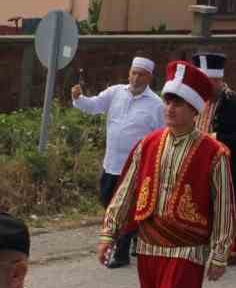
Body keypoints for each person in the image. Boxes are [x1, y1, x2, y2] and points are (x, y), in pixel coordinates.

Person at [99, 60, 234, 288]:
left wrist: (219, 252)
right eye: (168, 101)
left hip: (187, 249)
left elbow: (224, 207)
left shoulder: (214, 153)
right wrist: (109, 232)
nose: (170, 108)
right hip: (149, 244)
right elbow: (127, 190)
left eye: (178, 103)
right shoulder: (149, 144)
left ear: (194, 110)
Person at [71, 56, 165, 269]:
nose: (135, 77)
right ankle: (135, 234)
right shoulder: (115, 92)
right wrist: (78, 98)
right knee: (107, 200)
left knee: (126, 208)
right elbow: (93, 105)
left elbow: (161, 137)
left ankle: (121, 253)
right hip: (111, 163)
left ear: (149, 77)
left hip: (135, 169)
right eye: (133, 72)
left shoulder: (156, 105)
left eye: (141, 74)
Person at [191, 52, 236, 266]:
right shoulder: (194, 101)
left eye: (207, 82)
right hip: (196, 163)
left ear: (218, 80)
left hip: (224, 165)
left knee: (225, 206)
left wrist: (217, 138)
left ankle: (229, 248)